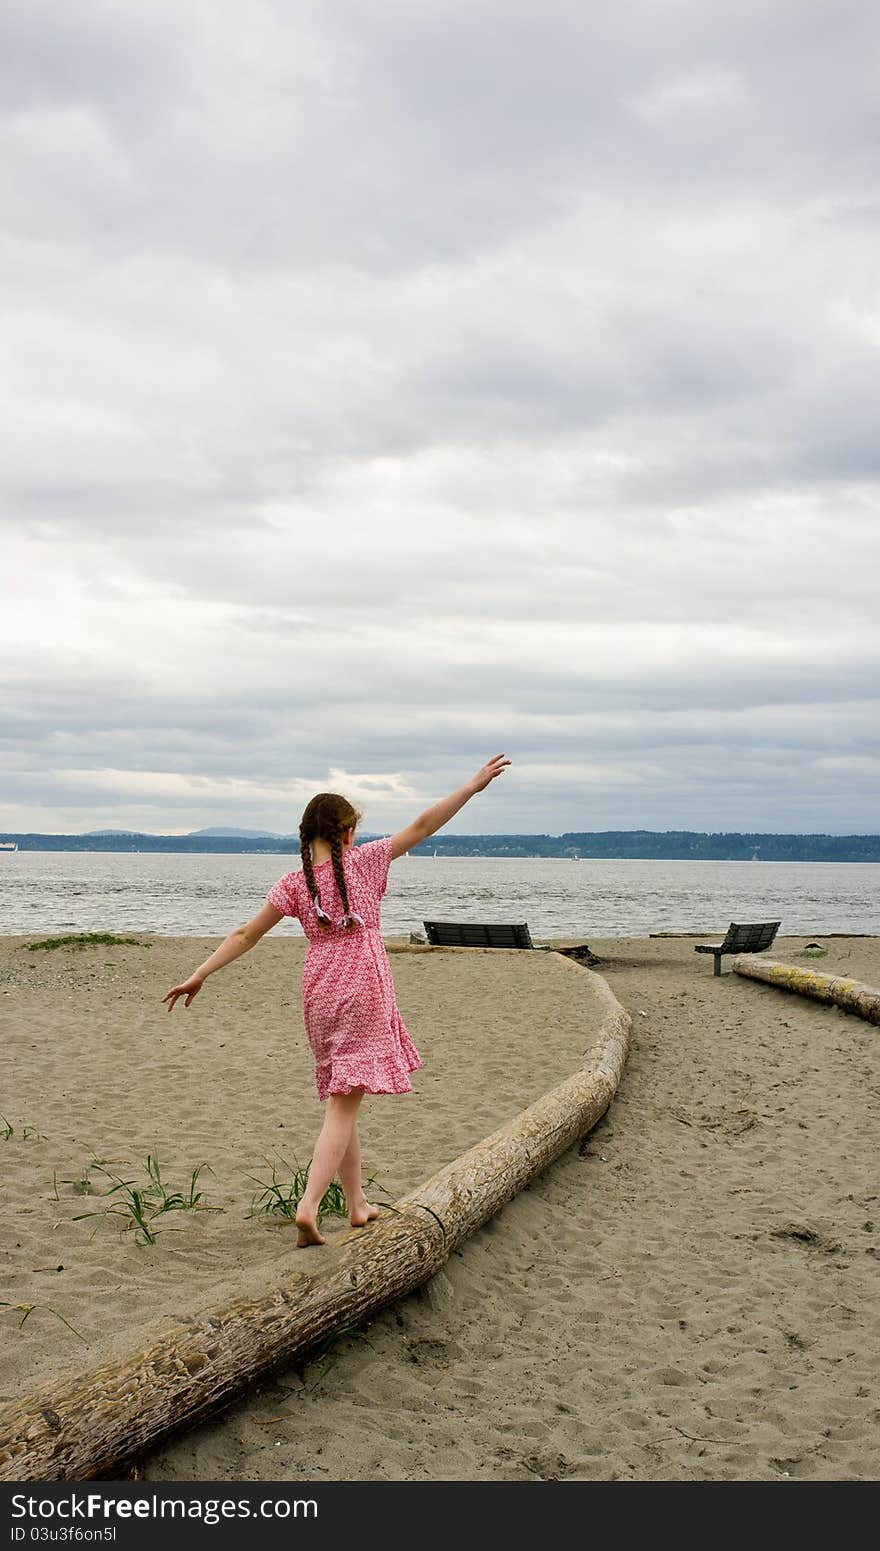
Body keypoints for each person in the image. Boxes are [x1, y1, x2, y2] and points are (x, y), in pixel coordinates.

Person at [162, 754, 510, 1247]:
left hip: (319, 989)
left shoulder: (293, 883)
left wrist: (200, 973)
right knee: (343, 1106)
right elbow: (424, 823)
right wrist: (471, 787)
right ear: (347, 834)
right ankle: (308, 1208)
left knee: (345, 1095)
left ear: (306, 837)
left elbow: (245, 934)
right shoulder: (366, 862)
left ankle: (356, 1204)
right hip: (363, 985)